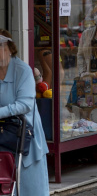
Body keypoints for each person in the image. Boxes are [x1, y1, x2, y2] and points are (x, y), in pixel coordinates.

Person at [0, 29, 49, 195]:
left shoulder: (22, 71)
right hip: (3, 134)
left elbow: (25, 105)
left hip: (24, 136)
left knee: (30, 186)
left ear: (8, 49)